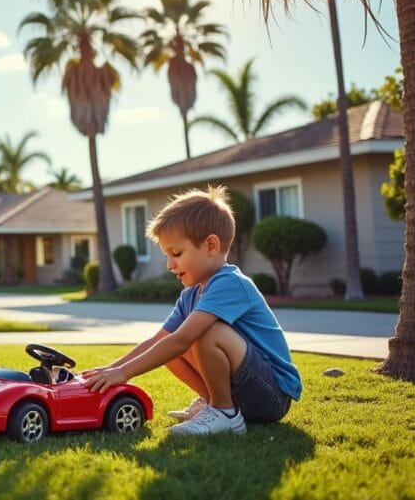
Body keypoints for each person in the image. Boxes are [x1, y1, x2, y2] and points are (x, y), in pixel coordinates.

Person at [82, 185, 301, 435]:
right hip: (246, 392)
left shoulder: (230, 283)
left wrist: (124, 372)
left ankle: (224, 412)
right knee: (166, 349)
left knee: (202, 333)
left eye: (176, 253)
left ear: (210, 245)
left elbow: (183, 339)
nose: (169, 264)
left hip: (271, 396)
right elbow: (160, 341)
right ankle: (214, 403)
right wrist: (113, 369)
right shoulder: (190, 295)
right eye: (167, 255)